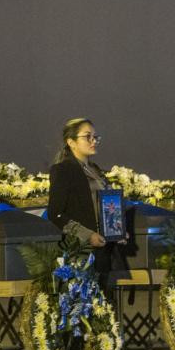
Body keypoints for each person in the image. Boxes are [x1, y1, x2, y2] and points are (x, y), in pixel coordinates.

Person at [48, 118, 122, 285]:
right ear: (71, 142)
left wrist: (118, 229)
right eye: (87, 137)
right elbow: (56, 214)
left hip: (104, 249)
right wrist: (88, 236)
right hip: (81, 251)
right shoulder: (63, 170)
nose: (93, 141)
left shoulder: (96, 171)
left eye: (95, 137)